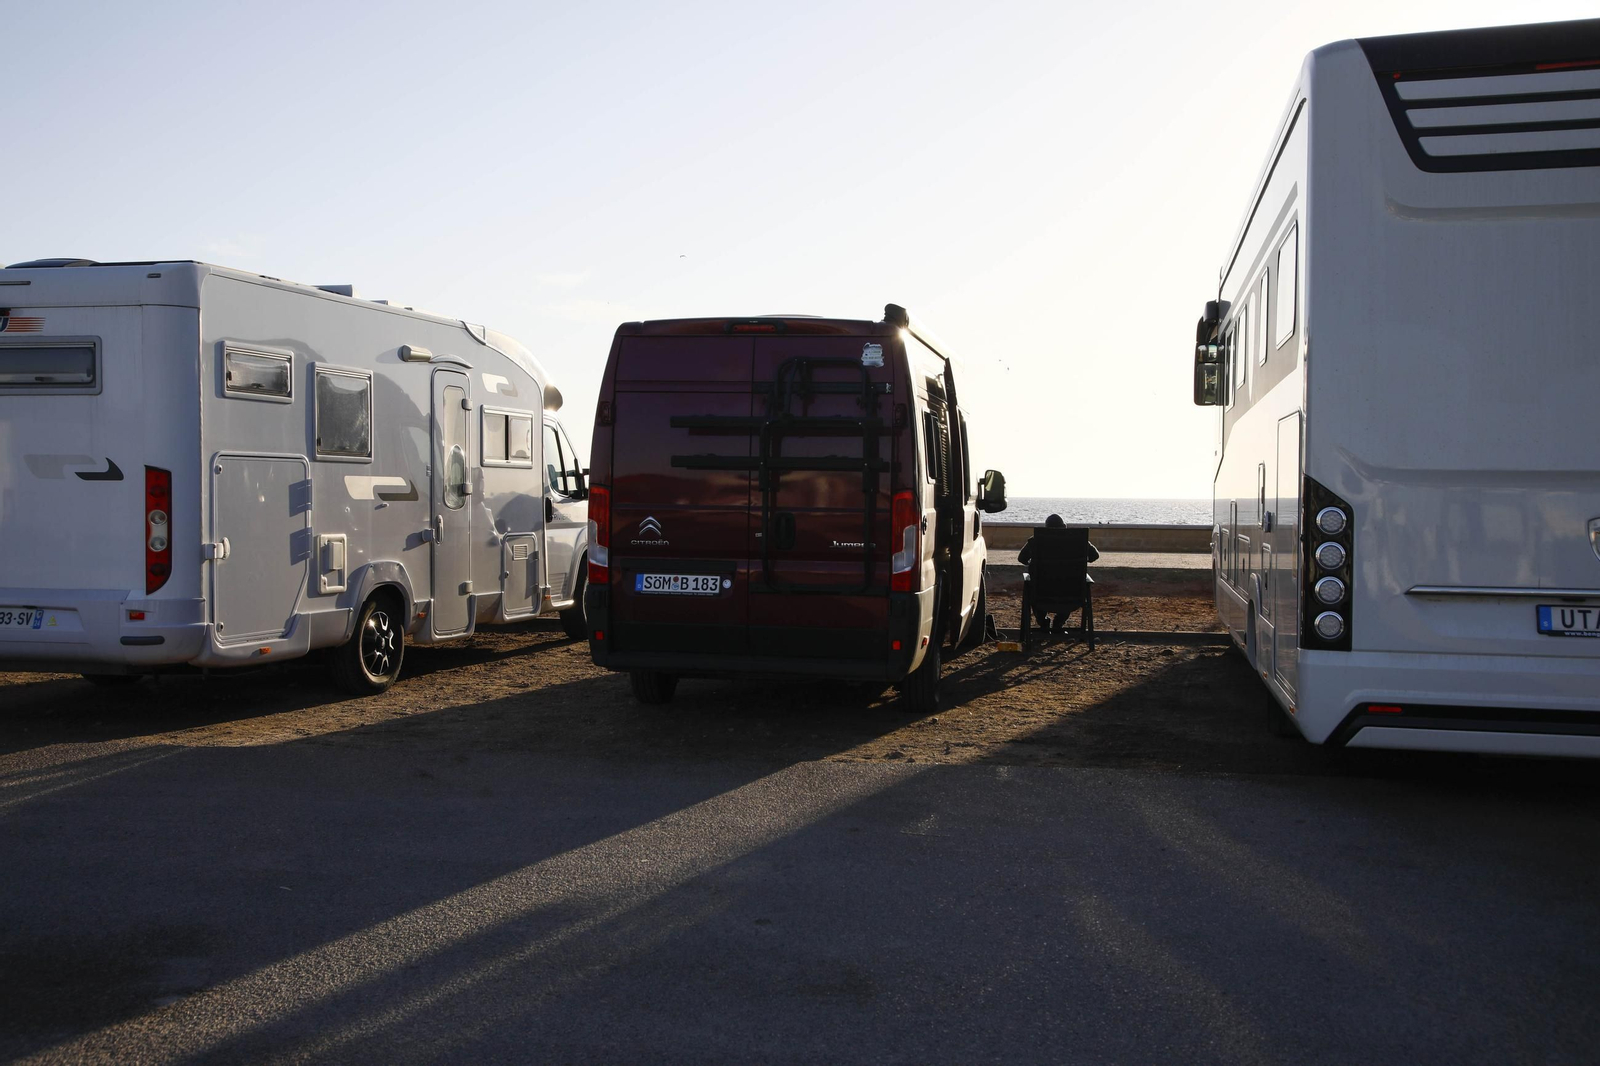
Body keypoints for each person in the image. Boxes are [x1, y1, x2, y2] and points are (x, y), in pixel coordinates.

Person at [1017, 514, 1099, 633]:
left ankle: (1043, 624)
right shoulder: (1078, 540)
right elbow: (1094, 555)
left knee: (1034, 586)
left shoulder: (1036, 540)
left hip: (1041, 594)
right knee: (1067, 585)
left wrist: (1033, 563)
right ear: (1064, 527)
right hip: (1072, 595)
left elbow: (1021, 558)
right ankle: (1058, 623)